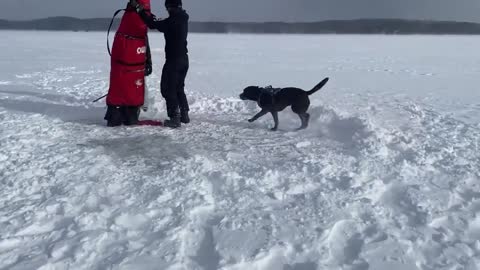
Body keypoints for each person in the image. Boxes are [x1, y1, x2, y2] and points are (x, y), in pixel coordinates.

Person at [129, 0, 190, 128]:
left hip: (174, 61)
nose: (167, 10)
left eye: (167, 8)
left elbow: (152, 24)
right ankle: (184, 114)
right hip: (184, 60)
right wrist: (150, 17)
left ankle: (175, 118)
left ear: (170, 7)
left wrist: (140, 10)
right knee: (178, 87)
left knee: (168, 88)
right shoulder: (181, 18)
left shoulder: (172, 21)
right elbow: (158, 22)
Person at [104, 0, 153, 126]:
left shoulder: (138, 16)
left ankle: (120, 113)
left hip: (129, 55)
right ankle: (129, 113)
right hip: (132, 54)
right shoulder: (140, 17)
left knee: (123, 84)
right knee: (131, 85)